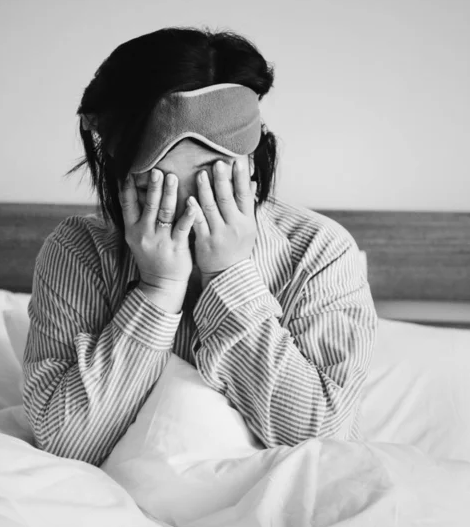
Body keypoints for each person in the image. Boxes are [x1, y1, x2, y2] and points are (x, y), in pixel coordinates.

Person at [22, 27, 378, 466]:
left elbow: (326, 446)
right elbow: (63, 443)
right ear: (121, 175)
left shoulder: (319, 250)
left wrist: (229, 278)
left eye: (214, 175)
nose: (189, 204)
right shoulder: (78, 253)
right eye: (158, 179)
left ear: (251, 163)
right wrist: (158, 290)